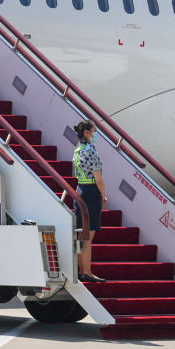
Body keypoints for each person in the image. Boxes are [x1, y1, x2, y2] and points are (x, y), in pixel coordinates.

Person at [73, 120, 107, 283]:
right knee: (88, 236)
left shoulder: (78, 150)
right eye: (94, 131)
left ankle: (81, 270)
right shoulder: (90, 150)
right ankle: (87, 272)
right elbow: (98, 178)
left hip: (80, 190)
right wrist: (104, 195)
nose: (96, 134)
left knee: (81, 234)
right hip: (91, 192)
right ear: (87, 133)